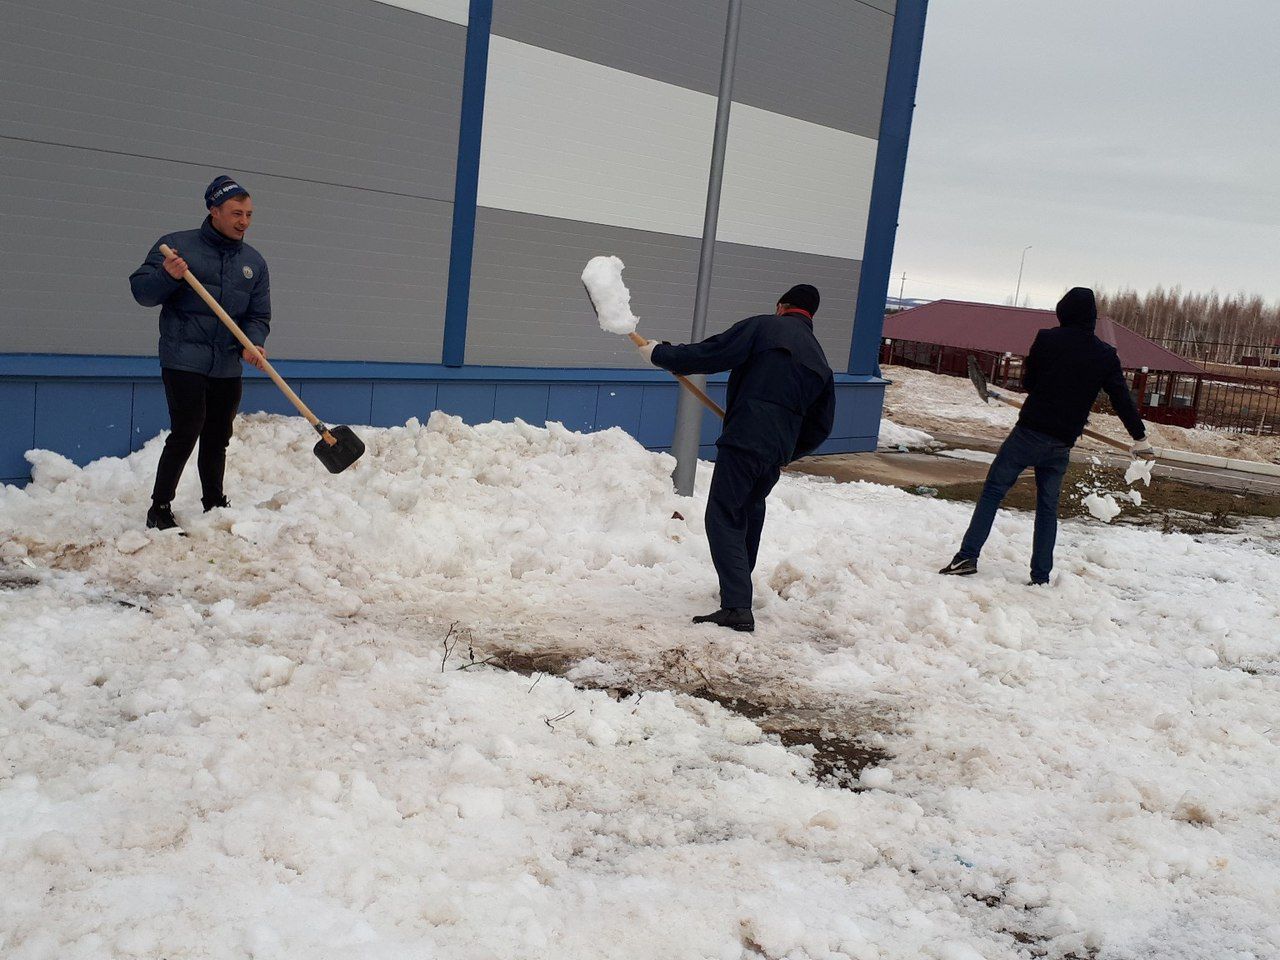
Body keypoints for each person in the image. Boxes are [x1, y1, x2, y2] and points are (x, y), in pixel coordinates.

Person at [638, 284, 835, 632]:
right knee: (748, 511)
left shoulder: (763, 327)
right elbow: (821, 425)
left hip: (745, 439)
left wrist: (661, 354)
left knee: (724, 515)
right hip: (774, 452)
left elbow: (712, 353)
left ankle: (736, 606)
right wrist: (789, 448)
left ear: (781, 306)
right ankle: (735, 589)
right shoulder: (820, 359)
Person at [939, 287, 1155, 585]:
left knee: (993, 491)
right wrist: (1140, 438)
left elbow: (1029, 381)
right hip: (1061, 443)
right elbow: (1121, 400)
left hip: (1028, 434)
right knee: (1047, 508)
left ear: (1063, 312)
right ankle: (1040, 576)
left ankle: (967, 556)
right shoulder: (1105, 355)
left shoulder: (1047, 339)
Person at [129, 176, 271, 531]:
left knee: (218, 433)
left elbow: (258, 315)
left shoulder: (253, 262)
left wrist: (251, 341)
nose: (244, 221)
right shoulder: (175, 248)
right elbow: (142, 293)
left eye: (249, 214)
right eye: (236, 213)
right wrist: (167, 276)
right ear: (214, 210)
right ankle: (159, 507)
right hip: (183, 358)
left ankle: (213, 502)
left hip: (225, 363)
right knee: (187, 427)